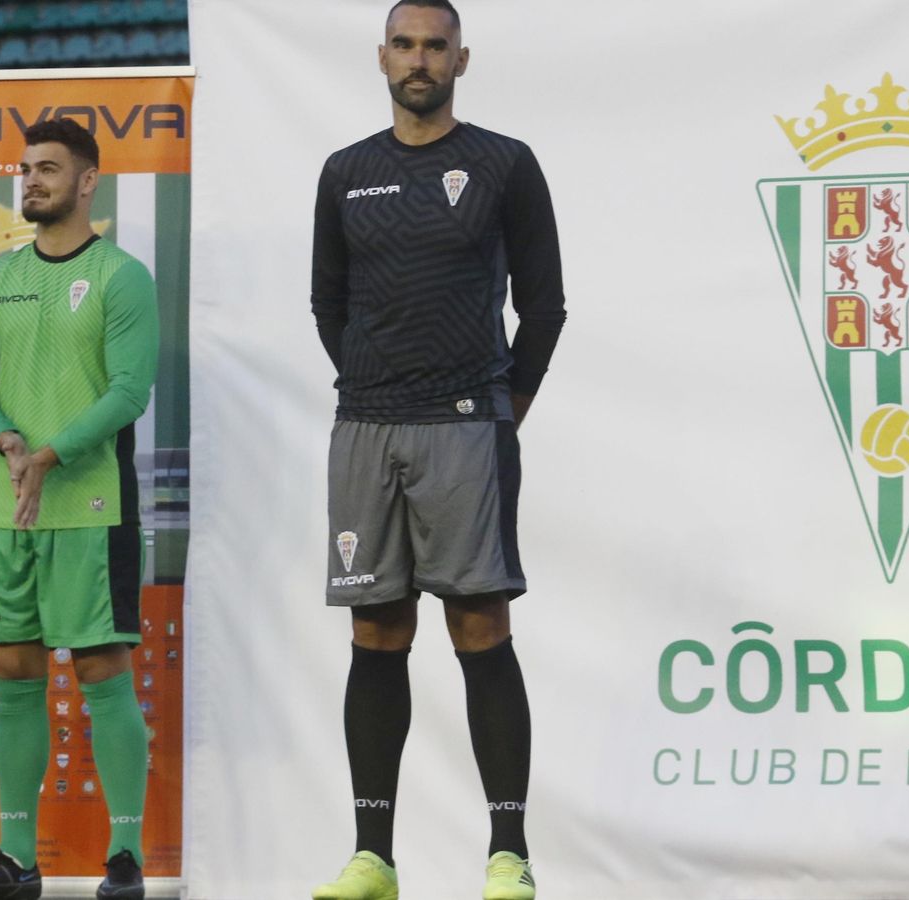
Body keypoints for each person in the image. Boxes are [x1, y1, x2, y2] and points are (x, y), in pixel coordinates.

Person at [308, 1, 566, 898]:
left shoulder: (503, 163)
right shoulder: (345, 173)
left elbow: (545, 307)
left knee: (478, 628)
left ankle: (509, 857)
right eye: (407, 44)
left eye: (437, 46)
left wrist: (505, 408)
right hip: (366, 427)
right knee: (375, 632)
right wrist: (378, 386)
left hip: (468, 425)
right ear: (383, 56)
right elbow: (326, 305)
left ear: (463, 58)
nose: (421, 59)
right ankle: (373, 858)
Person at [0, 118, 160, 900]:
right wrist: (6, 441)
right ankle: (15, 860)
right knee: (13, 672)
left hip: (93, 507)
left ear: (88, 180)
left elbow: (131, 391)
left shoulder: (121, 276)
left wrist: (51, 453)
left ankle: (126, 858)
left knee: (102, 670)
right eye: (26, 169)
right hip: (10, 513)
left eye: (48, 169)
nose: (30, 181)